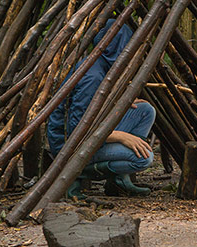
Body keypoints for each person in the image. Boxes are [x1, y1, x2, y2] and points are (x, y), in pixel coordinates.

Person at [47, 19, 156, 198]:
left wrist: (118, 103)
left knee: (144, 111)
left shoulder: (101, 67)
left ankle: (118, 182)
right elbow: (77, 131)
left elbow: (93, 108)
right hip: (70, 148)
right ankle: (77, 175)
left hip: (92, 135)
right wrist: (120, 136)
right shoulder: (93, 77)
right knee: (143, 158)